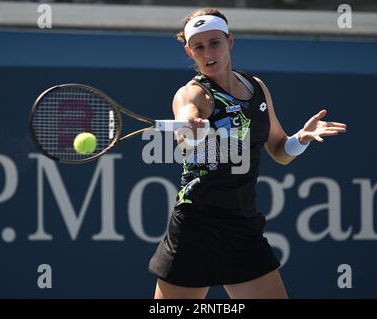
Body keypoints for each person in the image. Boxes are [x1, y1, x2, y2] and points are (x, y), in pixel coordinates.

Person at [148, 7, 347, 299]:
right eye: (198, 47)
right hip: (195, 226)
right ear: (190, 53)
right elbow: (185, 131)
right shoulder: (192, 94)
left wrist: (301, 138)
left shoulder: (257, 88)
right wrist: (189, 128)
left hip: (242, 225)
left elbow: (280, 150)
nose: (208, 53)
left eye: (214, 42)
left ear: (230, 42)